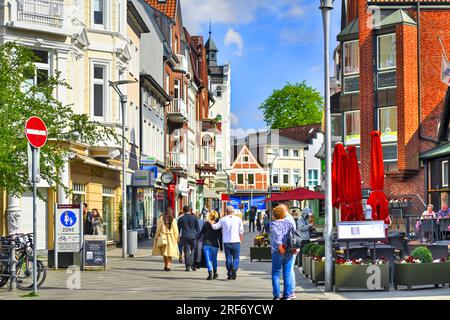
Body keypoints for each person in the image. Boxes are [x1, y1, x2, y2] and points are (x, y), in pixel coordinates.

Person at [270, 205, 297, 300]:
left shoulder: (273, 224)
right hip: (289, 250)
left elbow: (277, 235)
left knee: (276, 273)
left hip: (278, 251)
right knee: (287, 273)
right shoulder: (288, 223)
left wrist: (280, 246)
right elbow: (293, 234)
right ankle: (287, 295)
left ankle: (276, 295)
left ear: (274, 215)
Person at [210, 206, 244, 280]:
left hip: (227, 242)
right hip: (236, 241)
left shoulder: (223, 219)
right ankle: (234, 269)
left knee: (228, 257)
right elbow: (241, 231)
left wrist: (210, 222)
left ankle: (230, 272)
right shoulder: (238, 219)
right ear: (233, 211)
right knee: (236, 257)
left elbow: (215, 227)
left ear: (226, 211)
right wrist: (240, 240)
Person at [199, 211, 223, 280]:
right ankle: (215, 273)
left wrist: (196, 238)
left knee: (208, 259)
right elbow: (220, 236)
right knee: (214, 259)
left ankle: (210, 275)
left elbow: (201, 233)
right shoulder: (218, 225)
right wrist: (221, 246)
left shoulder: (206, 224)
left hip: (206, 244)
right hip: (215, 244)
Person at [177, 205, 200, 271]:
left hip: (185, 236)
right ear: (190, 210)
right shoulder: (194, 218)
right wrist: (198, 236)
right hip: (193, 237)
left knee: (186, 251)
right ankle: (192, 264)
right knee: (193, 251)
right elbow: (198, 229)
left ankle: (187, 266)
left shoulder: (181, 218)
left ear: (183, 210)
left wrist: (178, 237)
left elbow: (178, 229)